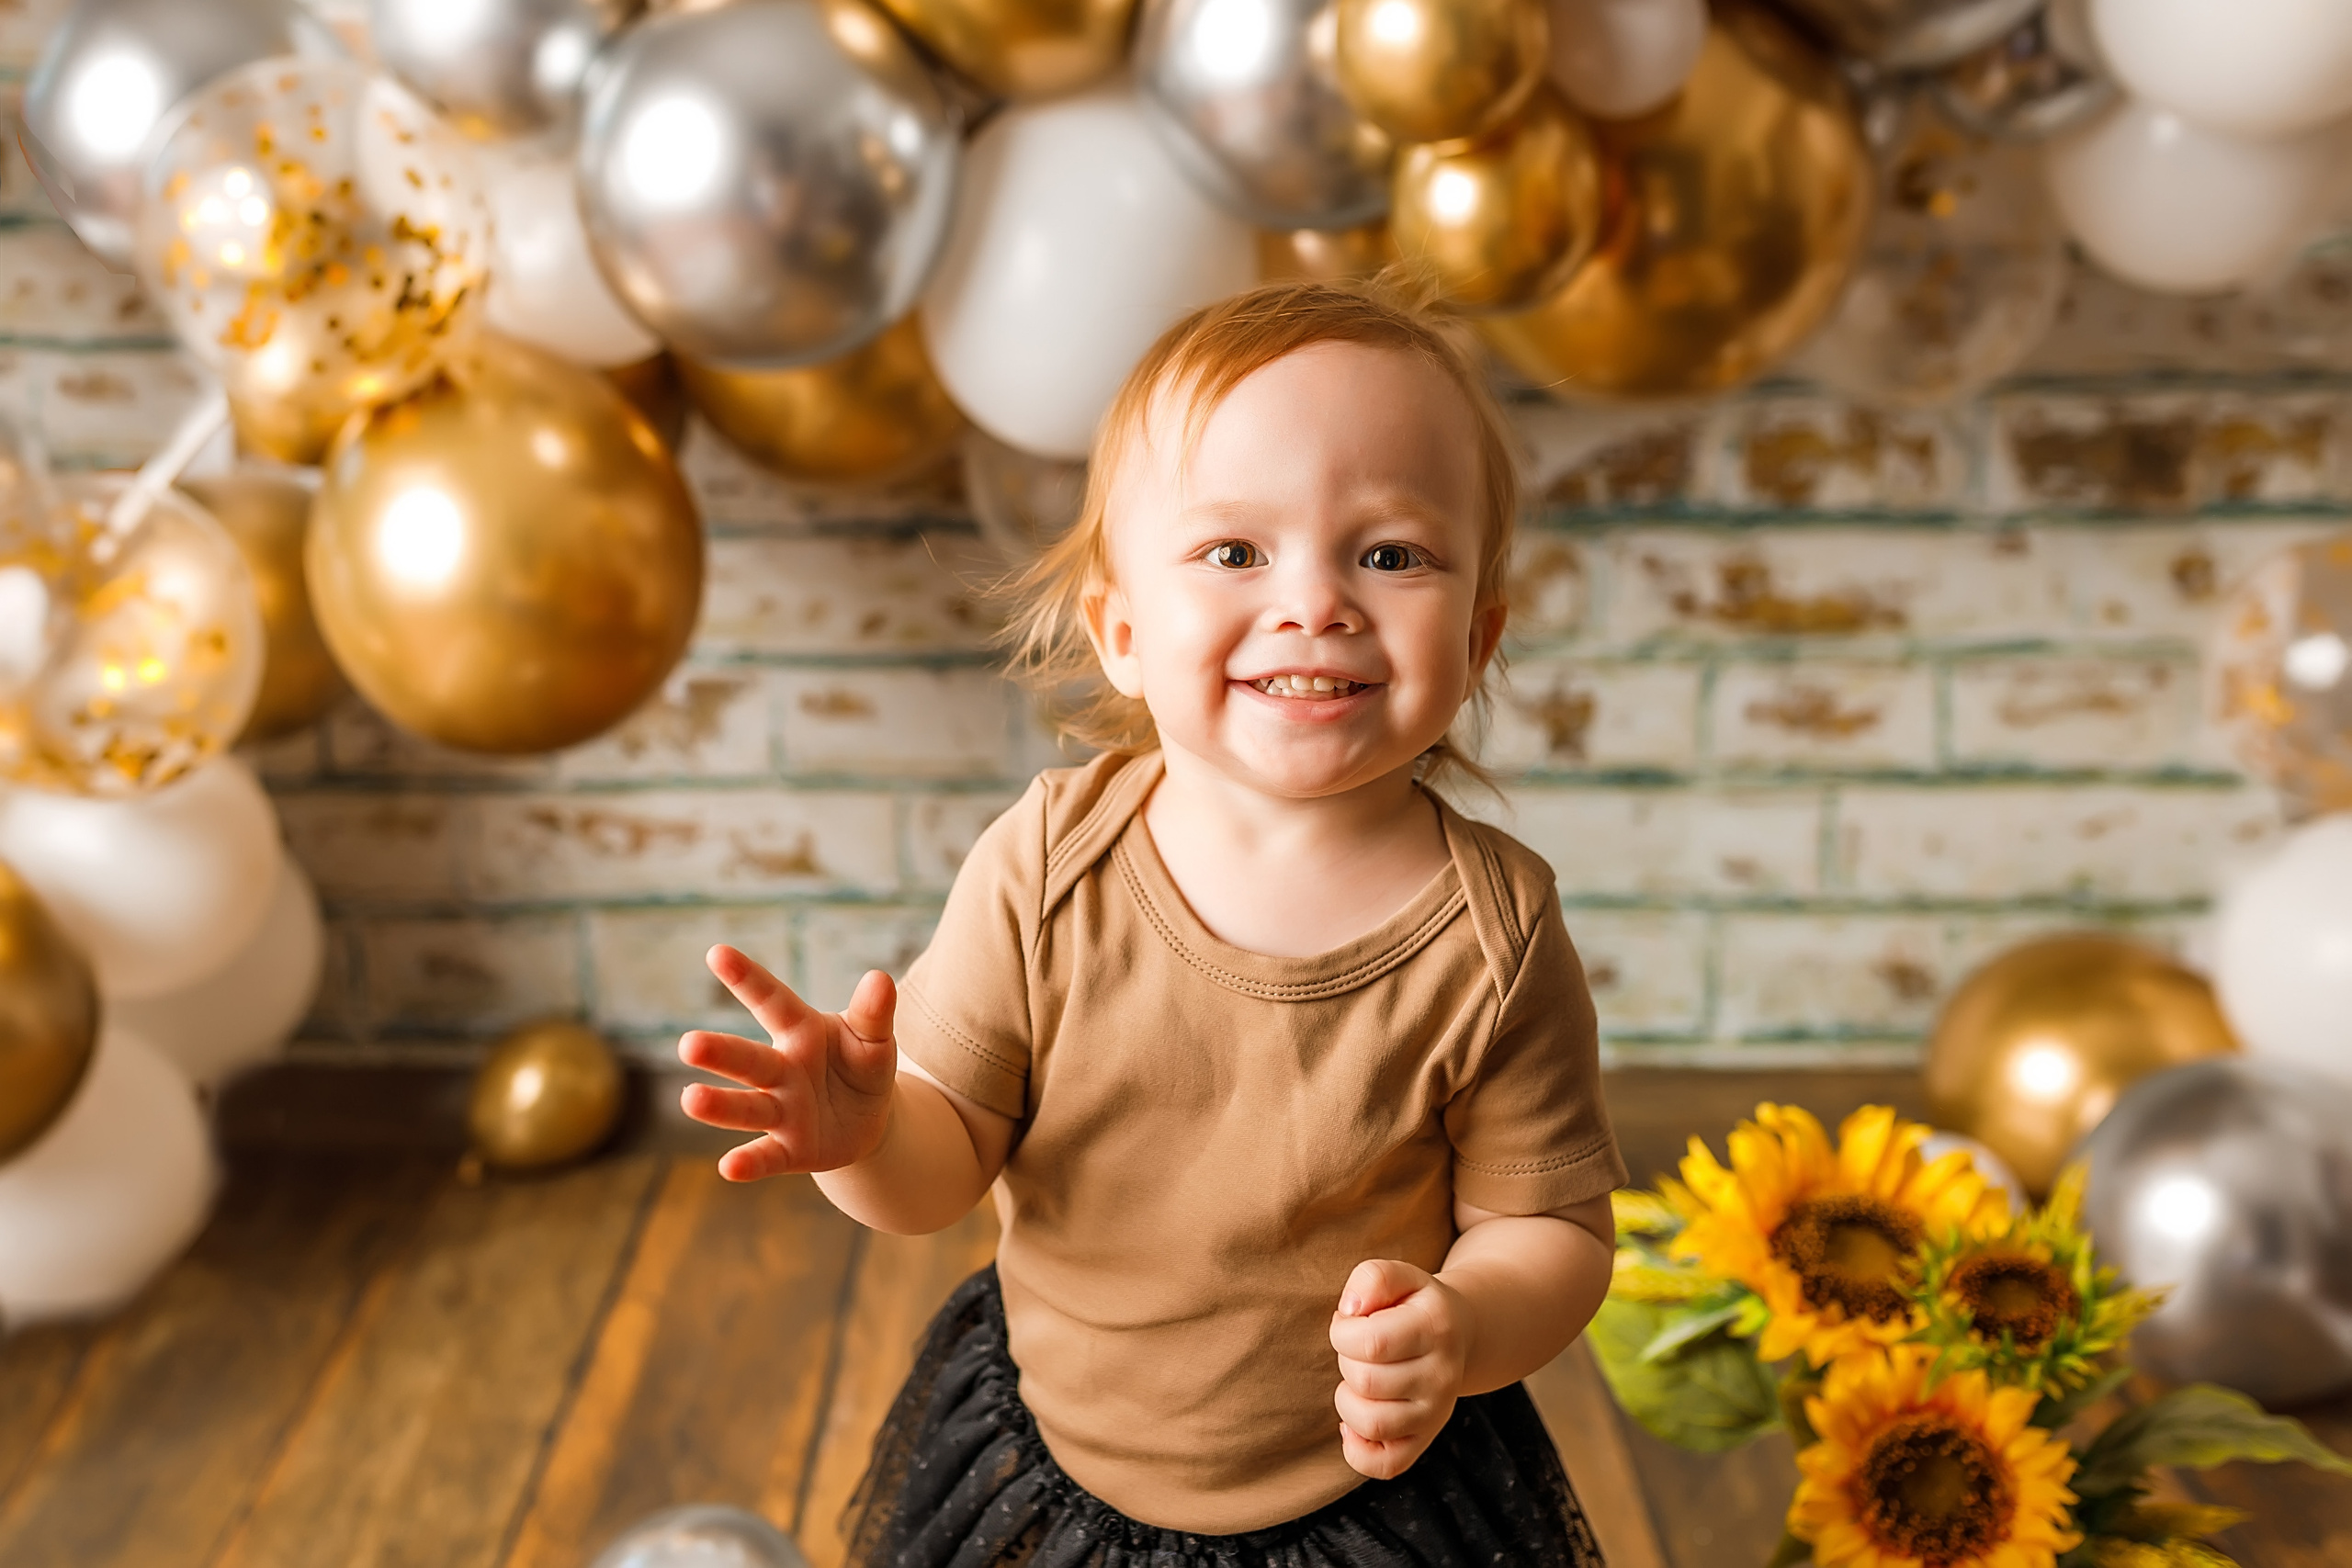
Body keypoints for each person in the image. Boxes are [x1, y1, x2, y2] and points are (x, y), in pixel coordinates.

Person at [676, 278, 1626, 1567]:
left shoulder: (1494, 937)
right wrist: (868, 1136)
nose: (1317, 602)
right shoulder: (1046, 870)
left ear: (1477, 636)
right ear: (1122, 631)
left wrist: (1464, 1325)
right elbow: (945, 1161)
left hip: (1365, 1505)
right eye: (1235, 553)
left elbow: (1550, 1230)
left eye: (1391, 554)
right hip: (1057, 1467)